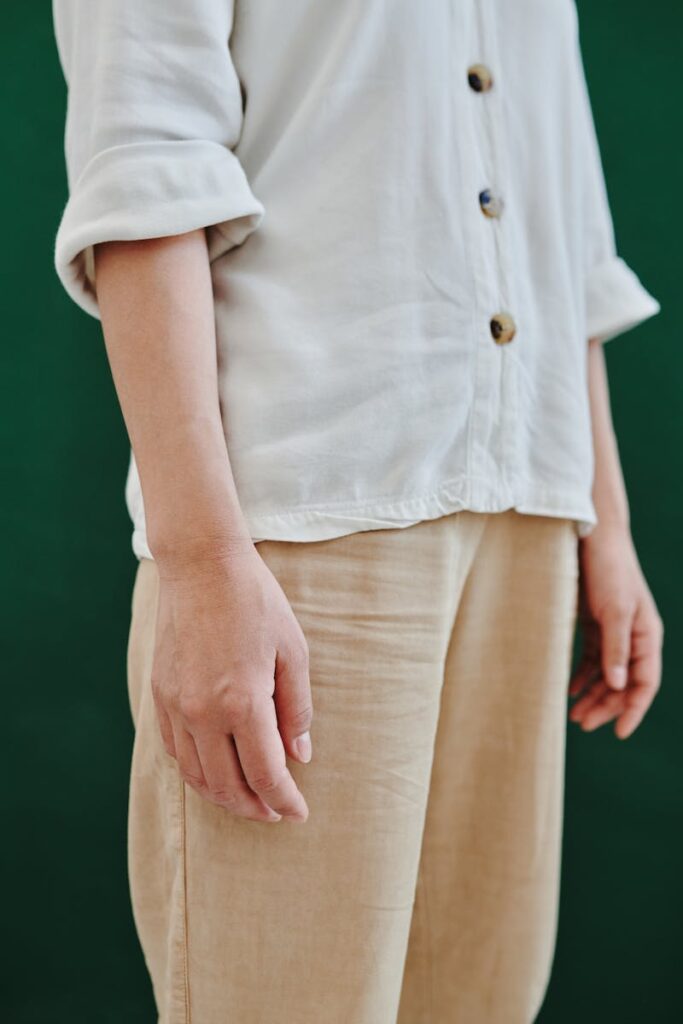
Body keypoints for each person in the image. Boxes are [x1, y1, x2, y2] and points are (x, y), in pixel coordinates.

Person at [51, 1, 664, 1022]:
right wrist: (201, 556)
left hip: (528, 509)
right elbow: (145, 161)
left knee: (480, 998)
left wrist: (605, 520)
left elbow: (557, 188)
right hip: (294, 528)